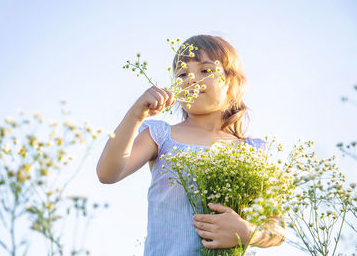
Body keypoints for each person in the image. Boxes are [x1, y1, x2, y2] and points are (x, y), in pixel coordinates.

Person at [96, 34, 285, 255]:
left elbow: (277, 230)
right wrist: (137, 114)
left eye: (205, 70)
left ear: (234, 83)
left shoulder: (252, 150)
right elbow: (107, 174)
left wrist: (247, 232)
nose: (191, 79)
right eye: (182, 74)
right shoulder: (160, 136)